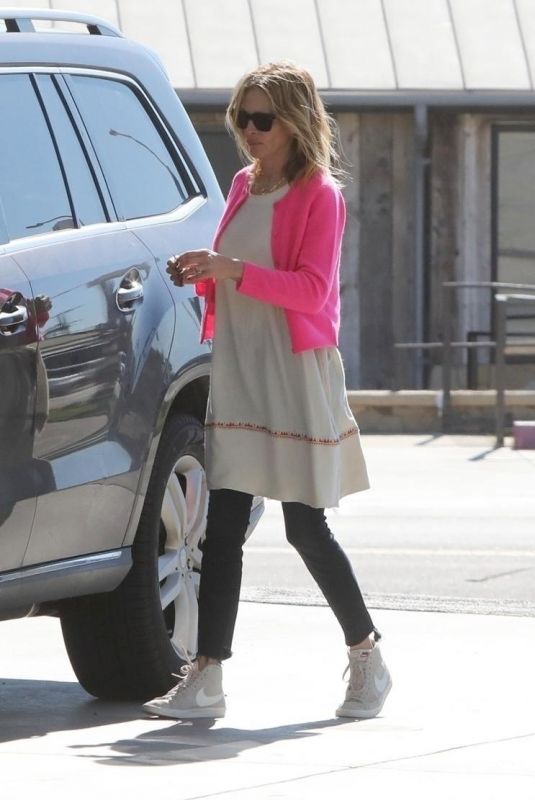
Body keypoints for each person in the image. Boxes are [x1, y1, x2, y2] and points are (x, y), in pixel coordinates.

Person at [143, 61, 392, 721]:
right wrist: (204, 271)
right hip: (239, 367)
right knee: (222, 528)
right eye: (241, 117)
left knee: (304, 525)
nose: (249, 131)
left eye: (263, 119)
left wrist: (232, 268)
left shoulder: (319, 195)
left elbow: (311, 289)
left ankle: (366, 656)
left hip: (293, 369)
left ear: (295, 122)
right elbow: (237, 272)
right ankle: (207, 677)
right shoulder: (241, 184)